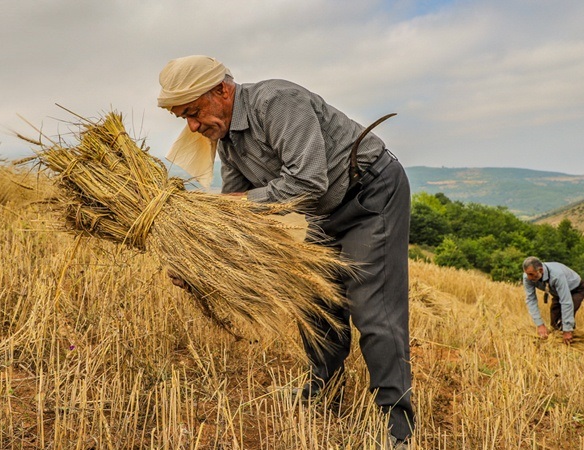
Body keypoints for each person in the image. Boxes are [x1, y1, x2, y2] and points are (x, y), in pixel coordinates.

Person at [157, 55, 414, 446]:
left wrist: (237, 206)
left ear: (221, 91)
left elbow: (308, 180)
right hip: (320, 211)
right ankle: (320, 391)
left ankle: (397, 425)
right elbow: (237, 213)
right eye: (184, 119)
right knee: (315, 301)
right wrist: (200, 259)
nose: (193, 126)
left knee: (373, 309)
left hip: (369, 194)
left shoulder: (277, 102)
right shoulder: (228, 141)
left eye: (194, 112)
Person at [522, 256, 584, 344]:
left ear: (541, 270)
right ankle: (558, 346)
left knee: (563, 320)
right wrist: (540, 325)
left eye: (531, 274)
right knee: (555, 323)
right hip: (557, 291)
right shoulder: (527, 277)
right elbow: (531, 300)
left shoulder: (557, 275)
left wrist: (567, 330)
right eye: (527, 274)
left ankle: (572, 343)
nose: (529, 277)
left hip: (575, 289)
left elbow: (566, 302)